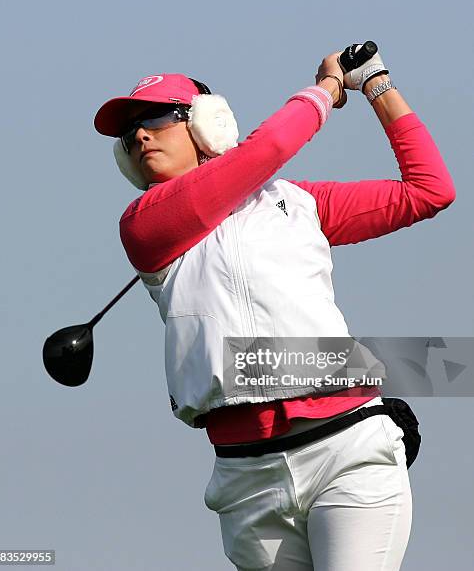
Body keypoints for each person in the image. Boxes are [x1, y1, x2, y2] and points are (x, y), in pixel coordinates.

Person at [94, 46, 456, 571]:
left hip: (347, 451)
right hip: (246, 480)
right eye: (130, 133)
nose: (140, 136)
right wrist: (326, 91)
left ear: (206, 123)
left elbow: (429, 191)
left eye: (155, 117)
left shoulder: (299, 203)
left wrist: (376, 86)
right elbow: (263, 152)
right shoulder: (145, 225)